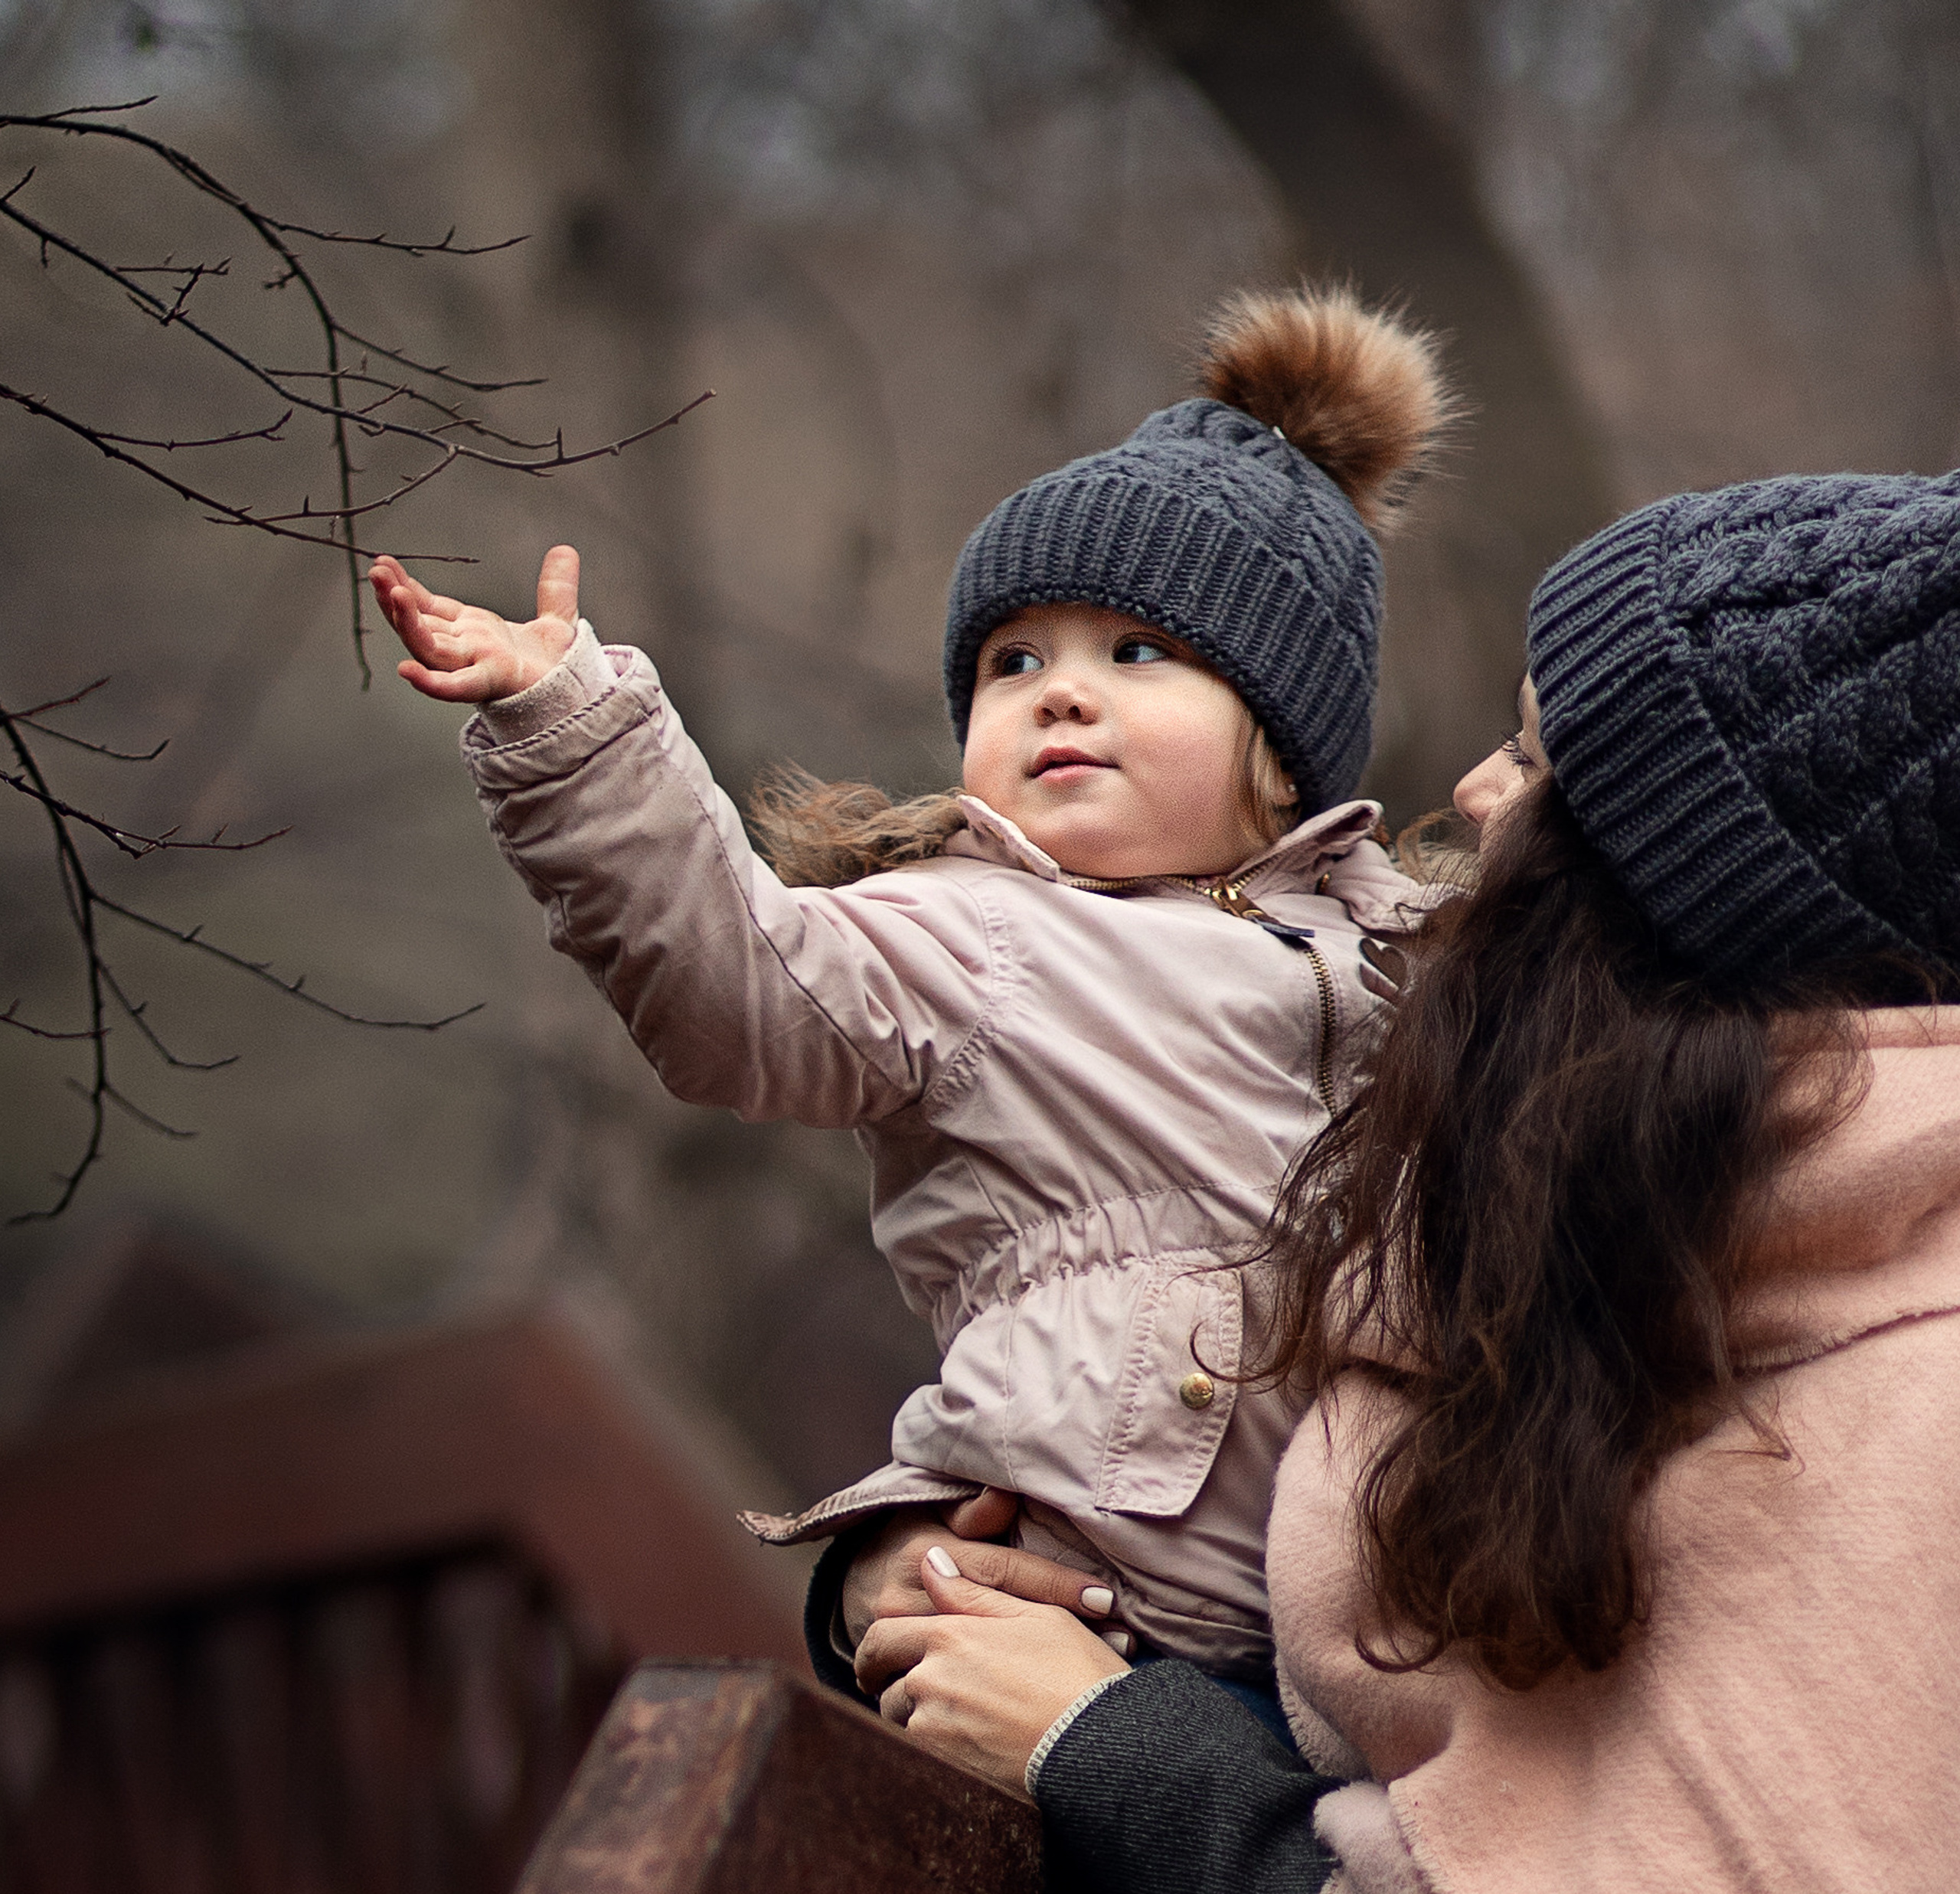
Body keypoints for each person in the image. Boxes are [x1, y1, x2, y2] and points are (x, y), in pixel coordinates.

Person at [847, 465, 1960, 1894]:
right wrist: (915, 1565)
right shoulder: (1563, 1207)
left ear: (1665, 895)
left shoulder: (1901, 1399)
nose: (1470, 794)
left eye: (1532, 752)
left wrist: (1110, 1745)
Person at [369, 287, 1451, 1727]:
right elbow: (731, 989)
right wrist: (575, 733)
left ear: (1289, 740)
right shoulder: (968, 932)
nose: (1061, 695)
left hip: (1371, 1621)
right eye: (1017, 663)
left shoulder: (1411, 961)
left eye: (1137, 655)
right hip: (1090, 1599)